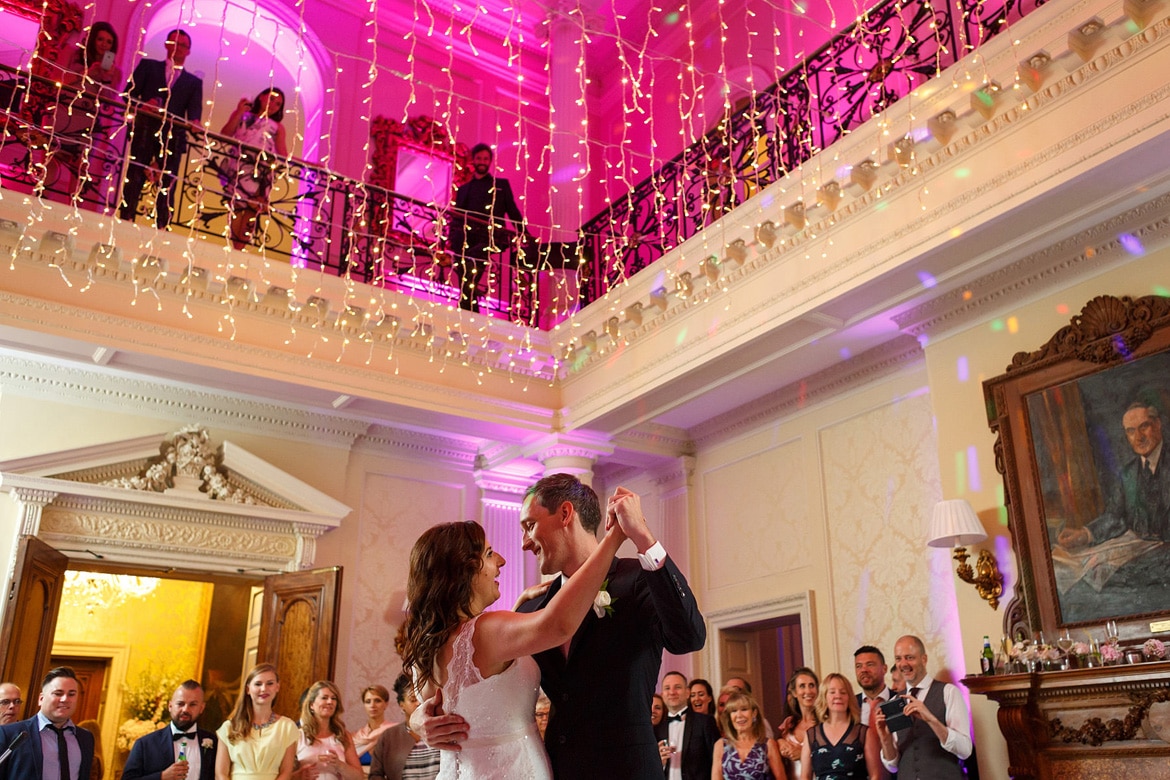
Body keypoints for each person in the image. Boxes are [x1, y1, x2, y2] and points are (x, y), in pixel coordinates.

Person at [419, 477, 706, 780]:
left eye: (529, 525)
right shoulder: (534, 608)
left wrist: (644, 538)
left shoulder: (639, 578)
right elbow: (470, 684)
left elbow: (689, 636)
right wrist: (419, 719)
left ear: (566, 514)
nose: (524, 543)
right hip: (557, 768)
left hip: (629, 769)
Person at [396, 506, 629, 780]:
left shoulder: (426, 644)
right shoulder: (486, 632)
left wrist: (519, 606)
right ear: (465, 570)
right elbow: (559, 626)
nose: (502, 560)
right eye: (489, 553)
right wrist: (614, 538)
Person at [119, 29, 204, 228]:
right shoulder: (148, 67)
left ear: (188, 51)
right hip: (145, 131)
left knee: (167, 185)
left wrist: (196, 123)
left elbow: (194, 116)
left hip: (172, 139)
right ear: (166, 45)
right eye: (174, 43)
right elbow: (127, 95)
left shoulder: (193, 82)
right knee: (135, 176)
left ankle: (162, 228)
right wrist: (143, 105)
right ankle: (125, 219)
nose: (178, 48)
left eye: (182, 45)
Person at [1059, 401, 1170, 548]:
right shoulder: (1127, 474)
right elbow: (1114, 516)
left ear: (1157, 424)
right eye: (1131, 431)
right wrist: (1085, 534)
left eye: (1144, 426)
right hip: (1142, 551)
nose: (1138, 437)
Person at [447, 143, 530, 312]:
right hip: (466, 238)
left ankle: (466, 306)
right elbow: (457, 216)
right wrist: (450, 239)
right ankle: (470, 306)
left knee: (472, 265)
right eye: (479, 158)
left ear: (490, 161)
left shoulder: (500, 185)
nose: (482, 161)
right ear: (473, 160)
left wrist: (524, 233)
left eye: (485, 158)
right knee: (466, 269)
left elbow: (512, 210)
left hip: (489, 237)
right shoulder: (464, 189)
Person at [878, 636, 972, 779]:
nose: (903, 664)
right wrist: (885, 740)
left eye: (909, 657)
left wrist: (932, 720)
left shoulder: (948, 692)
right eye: (898, 659)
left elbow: (965, 750)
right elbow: (893, 766)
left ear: (924, 659)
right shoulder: (894, 702)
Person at [216, 88, 289, 249]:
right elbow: (225, 134)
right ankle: (234, 247)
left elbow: (283, 154)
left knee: (252, 211)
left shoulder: (277, 127)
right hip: (239, 167)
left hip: (261, 172)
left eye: (279, 104)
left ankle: (240, 248)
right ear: (262, 97)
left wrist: (309, 164)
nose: (275, 105)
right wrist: (239, 112)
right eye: (272, 100)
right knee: (236, 208)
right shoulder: (243, 116)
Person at [0, 666, 94, 780]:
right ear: (41, 699)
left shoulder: (86, 738)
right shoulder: (10, 734)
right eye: (58, 693)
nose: (65, 699)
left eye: (71, 694)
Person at [214, 663, 298, 780]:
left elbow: (286, 772)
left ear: (277, 687)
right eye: (258, 684)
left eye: (270, 683)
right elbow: (221, 773)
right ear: (248, 689)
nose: (264, 689)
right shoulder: (229, 727)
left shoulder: (287, 727)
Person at [123, 679, 218, 780]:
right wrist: (162, 777)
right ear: (170, 706)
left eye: (193, 704)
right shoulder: (145, 744)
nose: (185, 709)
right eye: (180, 704)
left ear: (202, 708)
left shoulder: (214, 742)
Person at [800, 674, 880, 780]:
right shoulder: (811, 735)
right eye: (832, 692)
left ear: (849, 697)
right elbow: (805, 777)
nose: (838, 696)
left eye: (843, 692)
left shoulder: (864, 733)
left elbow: (876, 775)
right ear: (824, 697)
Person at [369, 674, 439, 780]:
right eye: (413, 699)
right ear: (402, 705)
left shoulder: (441, 729)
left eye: (421, 698)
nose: (419, 703)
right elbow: (375, 775)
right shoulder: (389, 736)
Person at [654, 671, 718, 780]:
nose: (672, 692)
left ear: (687, 692)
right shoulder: (657, 728)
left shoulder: (705, 722)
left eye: (677, 687)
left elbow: (717, 761)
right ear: (662, 694)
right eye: (667, 688)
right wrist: (660, 764)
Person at [293, 680, 362, 780]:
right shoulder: (297, 735)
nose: (330, 702)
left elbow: (359, 777)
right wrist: (299, 775)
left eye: (334, 698)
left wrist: (340, 765)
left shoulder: (343, 736)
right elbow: (284, 774)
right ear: (311, 705)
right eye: (324, 698)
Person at [711, 690, 782, 780]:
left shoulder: (768, 745)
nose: (739, 715)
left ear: (754, 713)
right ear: (729, 716)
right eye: (734, 711)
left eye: (744, 709)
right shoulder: (720, 745)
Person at [853, 646, 893, 780]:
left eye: (870, 664)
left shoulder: (899, 700)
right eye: (859, 666)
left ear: (884, 668)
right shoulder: (849, 705)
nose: (864, 670)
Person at [777, 668, 818, 779]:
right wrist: (779, 743)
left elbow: (835, 760)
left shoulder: (825, 723)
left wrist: (803, 755)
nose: (808, 691)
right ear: (794, 693)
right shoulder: (789, 723)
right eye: (802, 686)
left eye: (811, 685)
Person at [351, 684, 393, 762]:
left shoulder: (393, 732)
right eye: (368, 701)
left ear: (386, 704)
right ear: (364, 705)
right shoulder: (356, 737)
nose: (372, 705)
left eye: (377, 700)